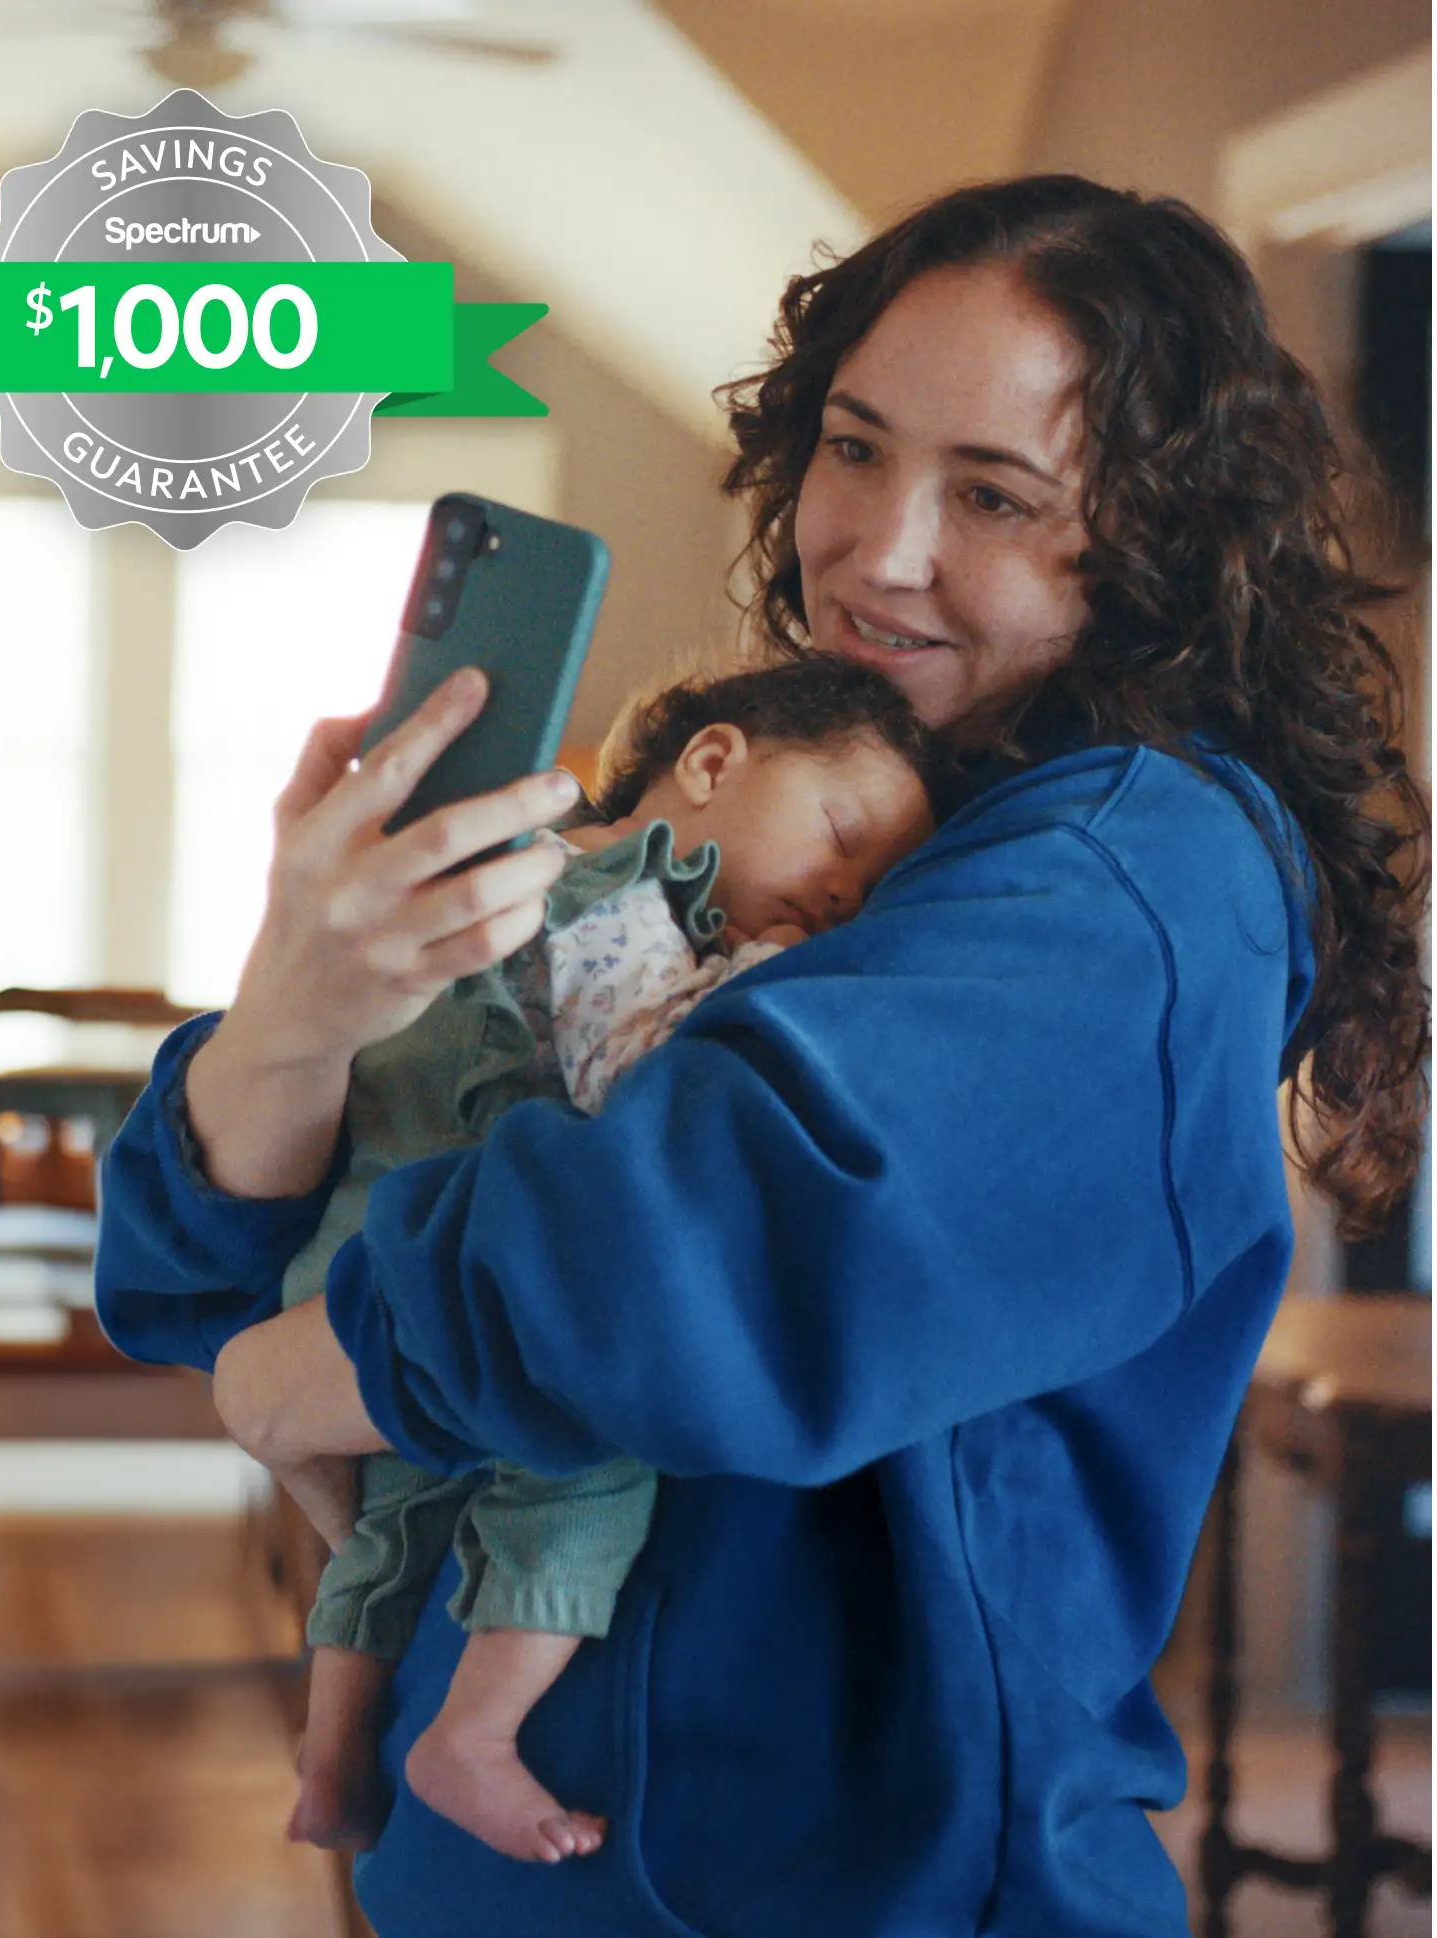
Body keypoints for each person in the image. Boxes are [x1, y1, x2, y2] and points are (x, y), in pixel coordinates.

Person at [94, 176, 1430, 1937]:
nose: (877, 549)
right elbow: (192, 1282)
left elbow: (696, 1247)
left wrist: (306, 1368)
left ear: (1153, 540)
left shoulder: (1133, 874)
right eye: (854, 449)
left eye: (993, 495)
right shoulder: (808, 832)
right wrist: (296, 1011)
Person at [196, 657, 936, 1867]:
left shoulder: (504, 882)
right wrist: (767, 979)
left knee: (393, 1529)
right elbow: (630, 1069)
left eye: (867, 892)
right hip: (432, 1277)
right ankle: (474, 1736)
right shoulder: (617, 897)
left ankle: (329, 1760)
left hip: (352, 1263)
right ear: (711, 761)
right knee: (591, 1456)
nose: (839, 893)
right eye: (841, 835)